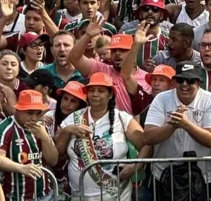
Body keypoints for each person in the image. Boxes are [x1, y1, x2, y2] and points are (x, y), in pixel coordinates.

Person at [55, 72, 144, 201]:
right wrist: (67, 131)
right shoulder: (73, 118)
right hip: (80, 195)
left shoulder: (122, 118)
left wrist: (136, 166)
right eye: (91, 90)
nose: (95, 94)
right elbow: (57, 152)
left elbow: (145, 144)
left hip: (116, 195)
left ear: (111, 94)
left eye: (101, 91)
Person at [144, 62, 211, 189]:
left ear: (198, 83)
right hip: (164, 176)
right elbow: (148, 137)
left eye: (190, 80)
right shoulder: (161, 99)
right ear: (174, 82)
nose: (185, 84)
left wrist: (186, 125)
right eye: (180, 80)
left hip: (201, 177)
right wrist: (173, 125)